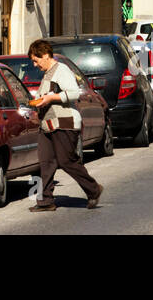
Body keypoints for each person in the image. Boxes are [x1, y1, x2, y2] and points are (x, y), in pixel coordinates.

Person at [27, 39, 102, 212]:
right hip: (48, 125)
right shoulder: (48, 73)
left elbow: (74, 93)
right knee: (46, 162)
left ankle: (93, 190)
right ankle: (46, 201)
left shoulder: (61, 70)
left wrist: (50, 98)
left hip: (64, 123)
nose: (35, 64)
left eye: (36, 60)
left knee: (66, 161)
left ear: (45, 55)